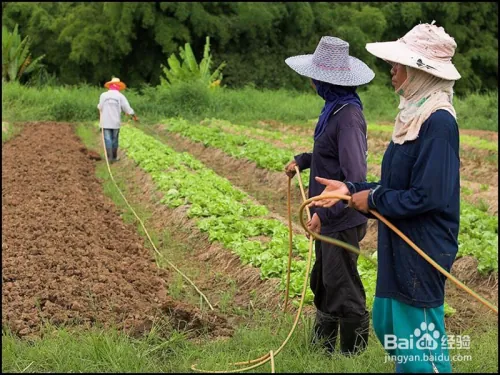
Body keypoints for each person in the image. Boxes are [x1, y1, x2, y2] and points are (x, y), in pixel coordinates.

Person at [309, 22, 461, 373]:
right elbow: (398, 183)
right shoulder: (413, 115)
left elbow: (429, 196)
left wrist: (373, 201)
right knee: (387, 323)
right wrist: (352, 191)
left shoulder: (438, 122)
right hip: (399, 238)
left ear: (420, 71)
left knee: (414, 342)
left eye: (399, 65)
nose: (392, 71)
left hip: (422, 243)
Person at [284, 36, 375, 355]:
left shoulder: (348, 117)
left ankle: (353, 355)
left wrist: (324, 215)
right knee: (323, 281)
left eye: (313, 76)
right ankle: (322, 350)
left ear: (324, 79)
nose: (310, 81)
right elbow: (329, 157)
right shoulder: (333, 110)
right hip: (327, 214)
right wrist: (304, 161)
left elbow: (355, 179)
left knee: (342, 285)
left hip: (340, 218)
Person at [97, 77, 138, 162]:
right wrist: (133, 115)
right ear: (118, 86)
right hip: (115, 122)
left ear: (110, 86)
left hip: (105, 122)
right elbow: (127, 108)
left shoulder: (103, 95)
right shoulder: (120, 96)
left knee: (107, 138)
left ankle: (109, 158)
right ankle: (114, 157)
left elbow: (100, 107)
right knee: (114, 139)